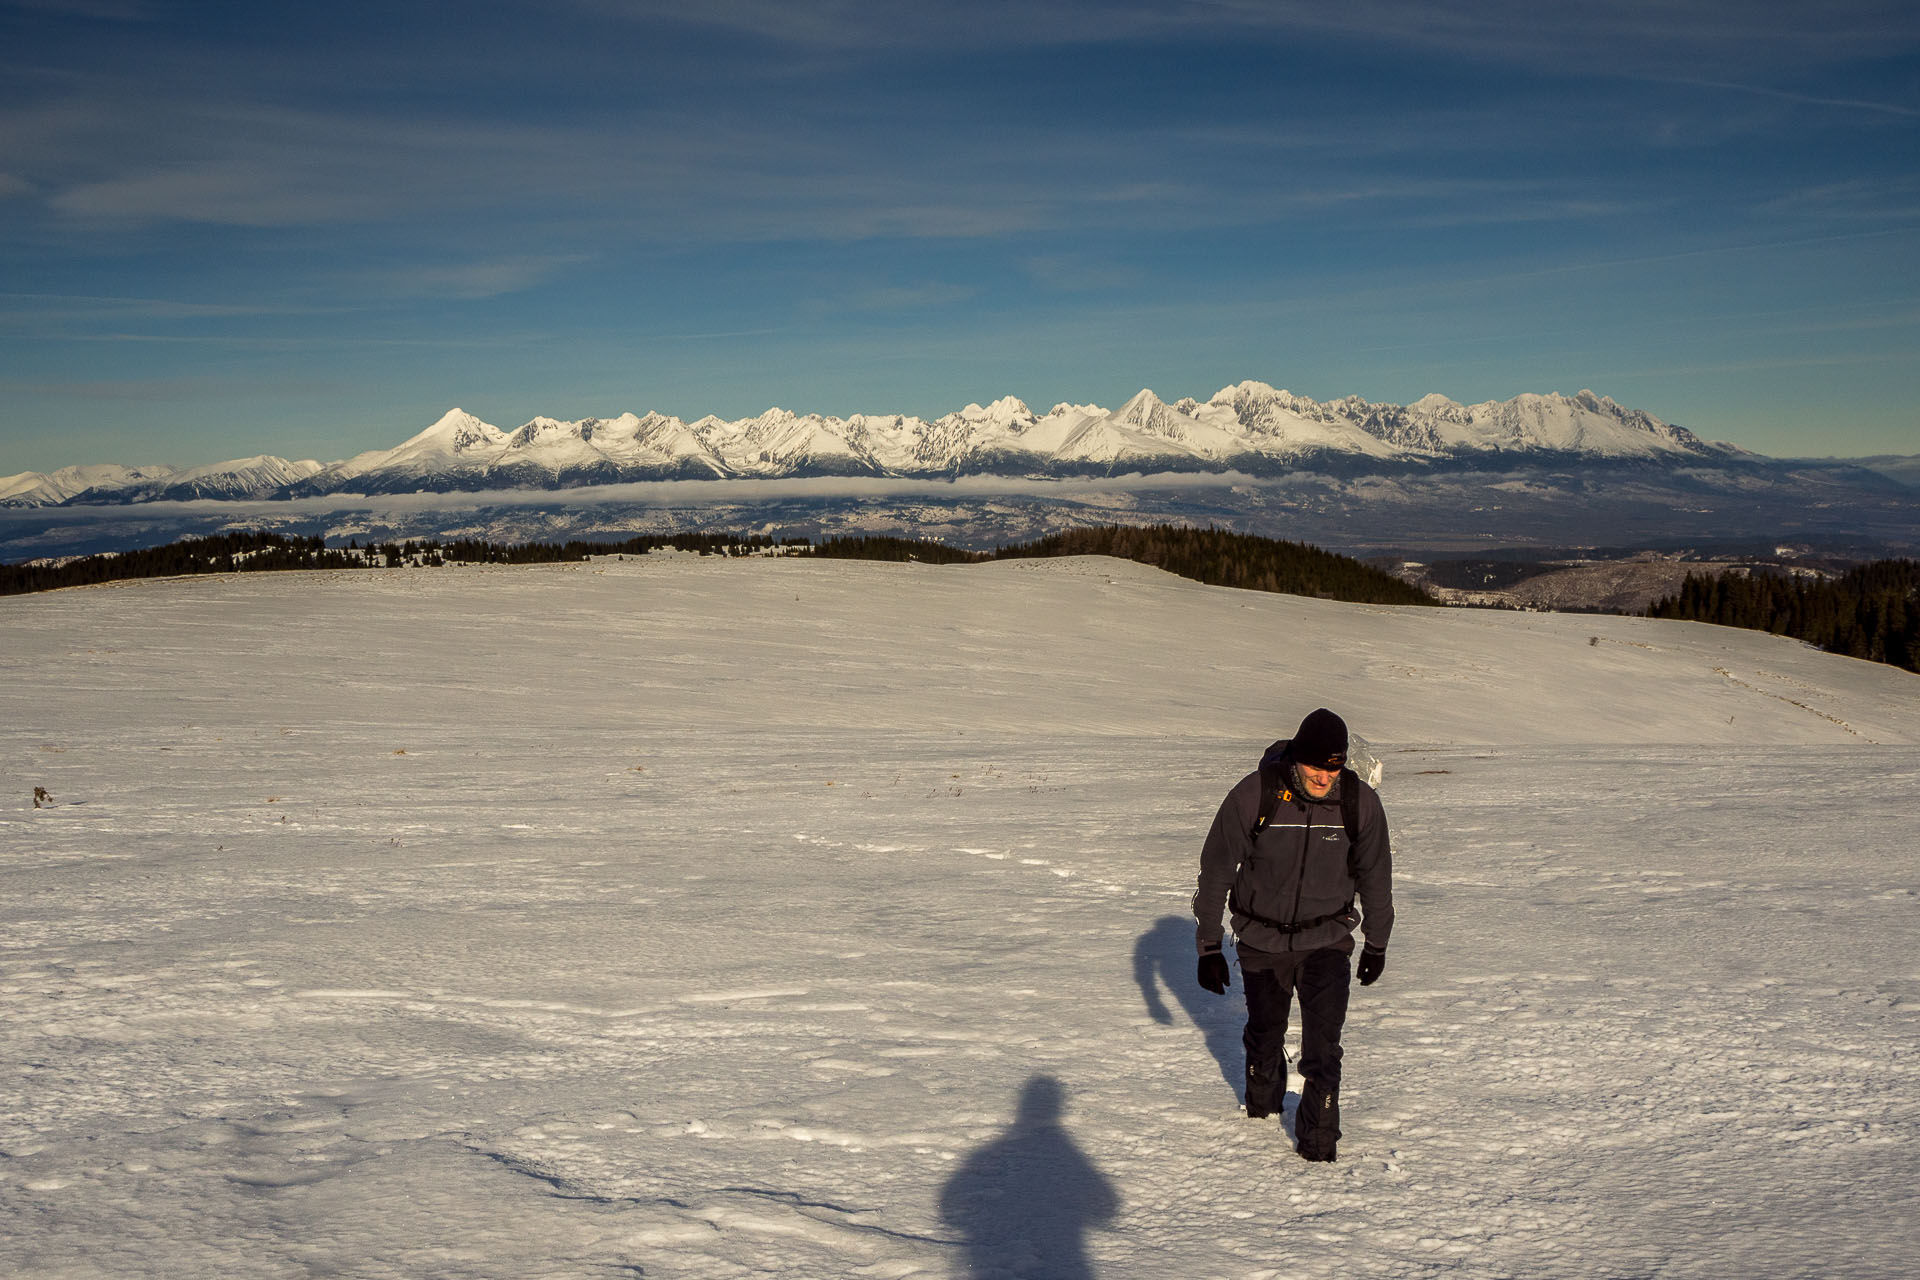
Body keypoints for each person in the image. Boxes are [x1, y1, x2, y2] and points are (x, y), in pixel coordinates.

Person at [1192, 707, 1394, 1162]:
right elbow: (1216, 870)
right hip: (1260, 939)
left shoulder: (1358, 804)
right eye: (1316, 765)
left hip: (1327, 940)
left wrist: (1377, 943)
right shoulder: (1255, 794)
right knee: (1265, 1034)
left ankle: (1318, 1150)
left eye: (1333, 766)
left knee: (1323, 1049)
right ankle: (1262, 1112)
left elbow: (1376, 879)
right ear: (1296, 758)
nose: (1324, 777)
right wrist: (1208, 945)